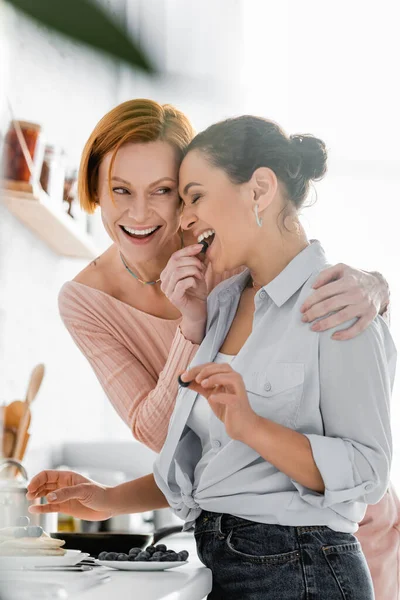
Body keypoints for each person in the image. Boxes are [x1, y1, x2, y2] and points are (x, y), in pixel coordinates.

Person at [31, 115, 398, 599]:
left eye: (188, 195)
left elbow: (367, 472)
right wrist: (106, 499)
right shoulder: (219, 303)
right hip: (229, 563)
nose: (183, 217)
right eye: (120, 190)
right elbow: (216, 465)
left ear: (259, 190)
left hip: (310, 565)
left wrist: (378, 286)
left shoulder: (333, 305)